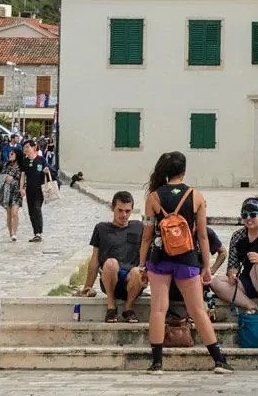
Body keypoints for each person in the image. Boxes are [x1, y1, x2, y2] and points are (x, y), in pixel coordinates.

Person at [140, 151, 231, 375]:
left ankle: (157, 363)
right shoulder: (197, 197)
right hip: (187, 258)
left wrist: (142, 264)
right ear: (184, 171)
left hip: (160, 258)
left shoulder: (153, 197)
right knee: (198, 309)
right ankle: (218, 360)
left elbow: (147, 235)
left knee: (158, 310)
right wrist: (207, 266)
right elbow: (202, 236)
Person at [82, 191, 147, 324]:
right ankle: (111, 307)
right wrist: (87, 286)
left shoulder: (139, 227)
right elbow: (94, 260)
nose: (124, 215)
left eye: (128, 211)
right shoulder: (101, 228)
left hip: (133, 280)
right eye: (120, 210)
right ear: (113, 208)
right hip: (110, 278)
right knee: (111, 263)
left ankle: (128, 308)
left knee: (137, 271)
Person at [22, 140, 50, 242]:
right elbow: (23, 176)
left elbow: (48, 168)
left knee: (37, 209)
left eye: (27, 147)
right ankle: (35, 232)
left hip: (40, 189)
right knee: (31, 212)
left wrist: (46, 170)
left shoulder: (41, 159)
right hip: (29, 189)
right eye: (24, 147)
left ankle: (39, 233)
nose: (25, 149)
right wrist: (22, 188)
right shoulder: (24, 161)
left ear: (34, 147)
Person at [0, 146, 26, 241]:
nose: (10, 155)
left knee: (15, 213)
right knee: (9, 213)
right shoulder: (6, 165)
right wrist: (6, 177)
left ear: (17, 155)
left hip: (16, 191)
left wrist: (23, 189)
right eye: (10, 153)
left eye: (12, 153)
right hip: (7, 190)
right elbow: (1, 176)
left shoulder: (22, 166)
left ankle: (14, 233)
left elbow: (24, 179)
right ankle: (11, 233)